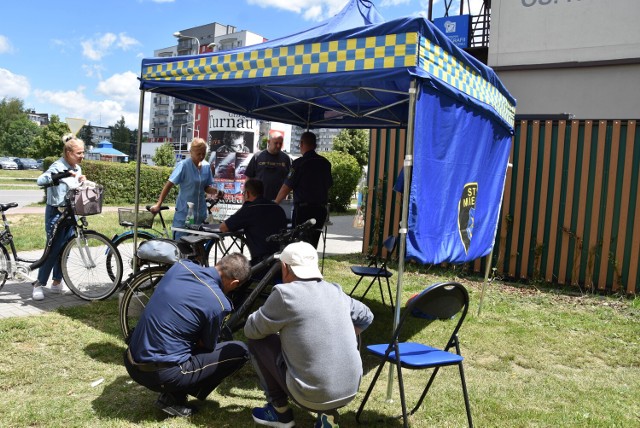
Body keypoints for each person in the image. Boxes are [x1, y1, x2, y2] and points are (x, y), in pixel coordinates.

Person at [244, 242, 374, 428]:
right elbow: (366, 317)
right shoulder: (335, 290)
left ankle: (279, 412)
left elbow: (252, 329)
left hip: (310, 395)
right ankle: (327, 417)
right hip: (349, 390)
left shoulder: (285, 294)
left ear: (285, 268)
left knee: (258, 341)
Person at [124, 253, 251, 418]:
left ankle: (172, 392)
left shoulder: (180, 266)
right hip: (159, 375)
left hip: (130, 359)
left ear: (219, 263)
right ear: (234, 283)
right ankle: (174, 398)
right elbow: (206, 345)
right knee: (239, 350)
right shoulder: (219, 302)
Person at [32, 134, 87, 301]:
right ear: (68, 152)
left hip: (70, 212)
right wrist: (59, 176)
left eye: (83, 152)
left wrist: (82, 181)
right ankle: (38, 284)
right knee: (53, 249)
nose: (82, 156)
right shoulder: (57, 166)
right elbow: (40, 181)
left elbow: (75, 186)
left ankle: (57, 283)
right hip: (56, 212)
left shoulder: (77, 167)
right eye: (79, 153)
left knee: (65, 249)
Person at [150, 138, 219, 240]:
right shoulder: (183, 165)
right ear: (191, 152)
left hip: (200, 212)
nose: (201, 156)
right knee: (182, 244)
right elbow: (169, 185)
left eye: (203, 154)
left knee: (198, 248)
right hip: (185, 212)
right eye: (198, 154)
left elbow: (206, 187)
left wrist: (217, 192)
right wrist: (158, 204)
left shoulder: (206, 166)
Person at [274, 131, 333, 248]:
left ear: (301, 143)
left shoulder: (299, 163)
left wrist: (276, 203)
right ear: (315, 145)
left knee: (299, 246)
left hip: (303, 211)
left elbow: (287, 186)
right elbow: (329, 184)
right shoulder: (326, 163)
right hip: (320, 210)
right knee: (312, 245)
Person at [219, 178, 287, 266]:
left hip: (262, 263)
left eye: (243, 193)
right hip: (282, 261)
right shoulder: (278, 208)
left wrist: (243, 207)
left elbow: (223, 228)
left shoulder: (249, 209)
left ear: (247, 194)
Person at [244, 132, 291, 201]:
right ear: (269, 142)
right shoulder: (257, 157)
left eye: (280, 143)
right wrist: (245, 197)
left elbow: (289, 180)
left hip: (278, 201)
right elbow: (248, 177)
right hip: (258, 200)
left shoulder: (286, 158)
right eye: (276, 143)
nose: (278, 146)